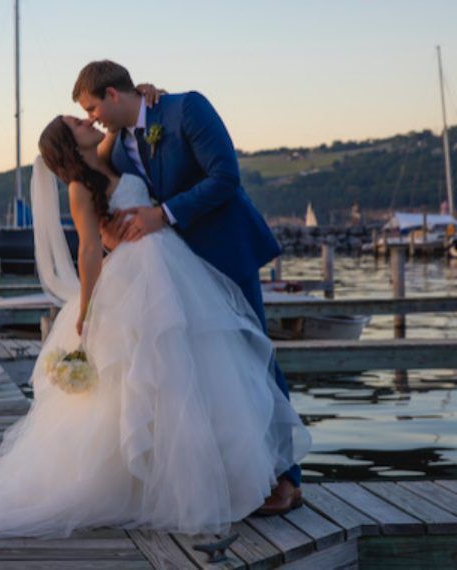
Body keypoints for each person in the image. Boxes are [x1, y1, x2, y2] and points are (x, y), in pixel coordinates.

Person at [0, 112, 310, 538]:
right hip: (134, 278)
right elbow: (87, 250)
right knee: (142, 375)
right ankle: (146, 484)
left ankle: (215, 472)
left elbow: (125, 118)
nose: (88, 121)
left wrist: (147, 94)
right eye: (77, 123)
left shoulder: (110, 153)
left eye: (85, 115)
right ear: (69, 143)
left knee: (193, 370)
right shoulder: (81, 187)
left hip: (171, 269)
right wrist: (87, 308)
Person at [74, 61, 302, 514]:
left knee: (255, 355)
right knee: (212, 369)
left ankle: (288, 479)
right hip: (179, 268)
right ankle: (235, 471)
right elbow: (89, 173)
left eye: (93, 105)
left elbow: (225, 177)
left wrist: (163, 215)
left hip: (225, 249)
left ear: (113, 94)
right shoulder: (117, 145)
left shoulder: (185, 110)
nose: (92, 115)